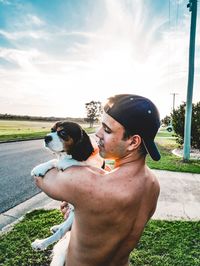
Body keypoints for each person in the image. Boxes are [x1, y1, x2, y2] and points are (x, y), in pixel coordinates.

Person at [34, 94, 161, 266]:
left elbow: (39, 177)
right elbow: (105, 224)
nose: (97, 134)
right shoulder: (152, 183)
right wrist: (81, 212)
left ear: (133, 142)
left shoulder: (89, 183)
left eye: (107, 130)